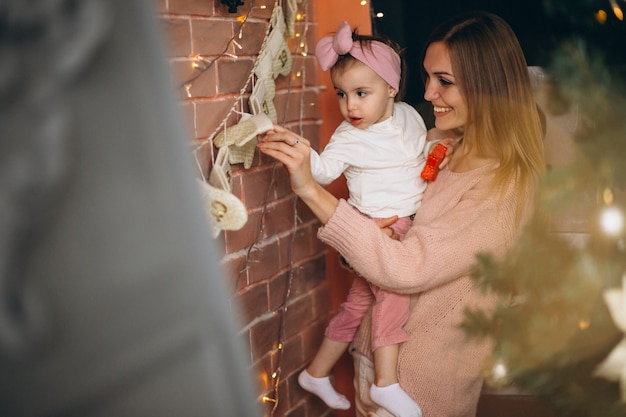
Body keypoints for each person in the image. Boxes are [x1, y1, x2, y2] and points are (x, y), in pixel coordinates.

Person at [258, 10, 545, 417]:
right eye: (428, 77)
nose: (427, 94)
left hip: (418, 386)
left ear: (488, 87)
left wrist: (311, 190)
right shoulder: (439, 145)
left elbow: (406, 269)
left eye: (444, 82)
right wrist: (363, 238)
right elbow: (383, 236)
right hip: (373, 362)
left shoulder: (502, 188)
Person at [297, 21, 449, 417]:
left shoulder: (410, 118)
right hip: (376, 228)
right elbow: (324, 172)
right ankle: (386, 383)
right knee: (393, 298)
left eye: (362, 93)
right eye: (343, 94)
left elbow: (422, 153)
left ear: (392, 88)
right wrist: (302, 155)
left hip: (404, 222)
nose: (350, 106)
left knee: (358, 305)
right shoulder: (348, 137)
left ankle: (316, 372)